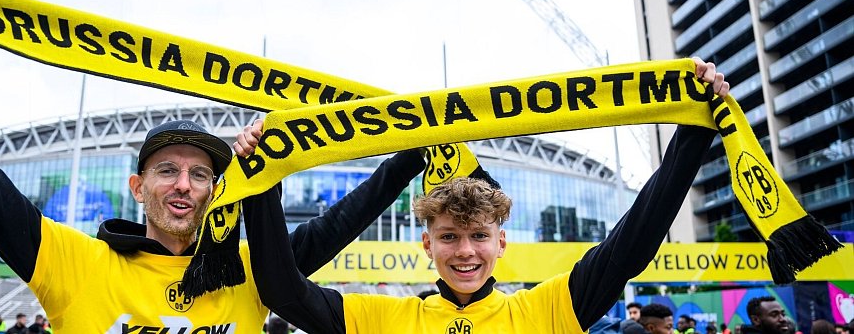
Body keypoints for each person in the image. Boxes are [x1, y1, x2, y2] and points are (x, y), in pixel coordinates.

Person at [0, 0, 429, 333]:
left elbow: (337, 224)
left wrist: (412, 151)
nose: (183, 184)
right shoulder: (77, 263)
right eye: (168, 170)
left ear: (217, 190)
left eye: (201, 175)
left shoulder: (248, 270)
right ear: (138, 186)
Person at [241, 58, 729, 332]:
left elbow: (632, 244)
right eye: (450, 236)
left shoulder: (544, 310)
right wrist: (261, 185)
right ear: (427, 245)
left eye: (479, 235)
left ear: (502, 242)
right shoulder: (381, 316)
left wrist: (692, 137)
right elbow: (282, 289)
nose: (466, 251)